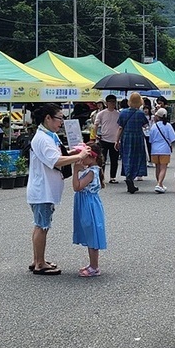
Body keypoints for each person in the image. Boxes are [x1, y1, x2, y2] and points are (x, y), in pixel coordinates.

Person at [27, 104, 89, 276]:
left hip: (45, 188)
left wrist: (74, 152)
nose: (61, 122)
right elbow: (55, 160)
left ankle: (38, 260)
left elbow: (58, 155)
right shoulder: (43, 138)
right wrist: (79, 156)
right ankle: (40, 263)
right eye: (59, 118)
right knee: (42, 226)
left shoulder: (49, 135)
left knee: (41, 225)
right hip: (43, 189)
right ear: (48, 118)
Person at [71, 143, 107, 277]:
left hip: (88, 204)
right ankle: (92, 264)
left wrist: (75, 171)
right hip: (88, 202)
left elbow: (77, 187)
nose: (80, 158)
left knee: (91, 232)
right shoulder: (92, 170)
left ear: (92, 157)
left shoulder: (91, 172)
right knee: (89, 231)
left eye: (84, 156)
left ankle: (94, 266)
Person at [117, 92, 149, 194]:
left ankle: (128, 175)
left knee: (127, 156)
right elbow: (145, 125)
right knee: (137, 157)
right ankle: (133, 176)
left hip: (126, 137)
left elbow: (120, 128)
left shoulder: (123, 113)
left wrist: (116, 140)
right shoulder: (140, 114)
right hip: (138, 137)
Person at [148, 108, 175, 193]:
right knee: (163, 168)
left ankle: (160, 184)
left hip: (154, 150)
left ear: (158, 116)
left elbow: (150, 139)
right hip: (165, 149)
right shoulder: (168, 125)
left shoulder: (154, 126)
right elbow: (173, 138)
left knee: (157, 167)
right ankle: (159, 184)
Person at [94, 95, 121, 184]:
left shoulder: (118, 114)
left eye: (114, 101)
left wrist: (119, 138)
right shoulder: (101, 113)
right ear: (106, 103)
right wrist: (95, 134)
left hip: (115, 140)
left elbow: (121, 127)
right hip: (104, 139)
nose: (112, 103)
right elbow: (96, 125)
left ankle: (112, 177)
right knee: (102, 159)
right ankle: (101, 177)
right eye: (111, 101)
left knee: (114, 160)